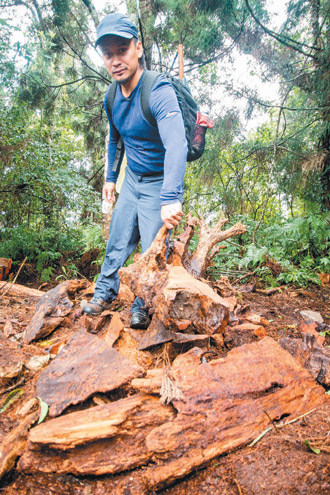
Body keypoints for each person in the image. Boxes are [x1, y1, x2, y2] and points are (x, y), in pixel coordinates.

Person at [82, 13, 188, 329]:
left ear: (138, 49)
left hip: (159, 183)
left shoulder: (158, 91)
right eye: (108, 54)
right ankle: (104, 293)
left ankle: (142, 306)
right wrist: (110, 178)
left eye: (122, 50)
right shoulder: (112, 96)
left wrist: (171, 196)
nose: (116, 60)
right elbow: (116, 137)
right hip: (132, 180)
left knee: (153, 251)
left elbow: (177, 145)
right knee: (117, 238)